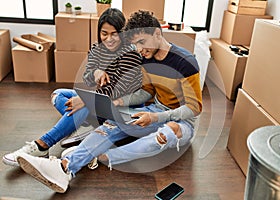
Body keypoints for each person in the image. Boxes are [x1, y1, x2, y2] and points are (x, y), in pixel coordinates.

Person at [16, 10, 203, 193]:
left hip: (182, 121)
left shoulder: (185, 62)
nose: (139, 49)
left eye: (141, 42)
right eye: (135, 44)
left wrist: (156, 117)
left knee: (166, 134)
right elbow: (147, 92)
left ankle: (101, 156)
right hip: (154, 110)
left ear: (157, 33)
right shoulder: (146, 59)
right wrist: (119, 102)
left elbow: (195, 108)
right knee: (111, 124)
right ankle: (65, 168)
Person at [2, 8, 142, 167]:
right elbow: (87, 78)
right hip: (100, 100)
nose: (109, 39)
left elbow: (120, 90)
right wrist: (95, 72)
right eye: (104, 33)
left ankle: (42, 144)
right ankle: (85, 127)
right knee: (58, 94)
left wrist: (86, 99)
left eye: (114, 34)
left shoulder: (130, 53)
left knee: (83, 105)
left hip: (123, 108)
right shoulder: (97, 48)